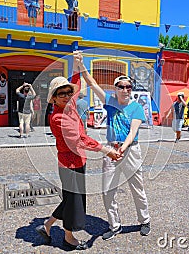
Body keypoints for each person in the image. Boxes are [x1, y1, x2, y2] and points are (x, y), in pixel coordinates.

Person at [35, 77, 120, 250]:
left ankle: (47, 226)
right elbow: (80, 140)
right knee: (73, 202)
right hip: (69, 165)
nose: (67, 96)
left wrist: (79, 65)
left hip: (78, 161)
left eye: (68, 92)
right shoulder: (59, 117)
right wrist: (106, 150)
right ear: (54, 98)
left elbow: (77, 85)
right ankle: (68, 238)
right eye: (61, 94)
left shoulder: (69, 106)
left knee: (69, 199)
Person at [74, 51, 151, 240]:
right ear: (115, 89)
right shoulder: (109, 102)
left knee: (137, 187)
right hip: (110, 149)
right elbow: (92, 84)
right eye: (121, 86)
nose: (125, 89)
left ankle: (145, 220)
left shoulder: (136, 107)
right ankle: (114, 225)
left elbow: (133, 133)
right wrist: (81, 64)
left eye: (128, 87)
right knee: (107, 190)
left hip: (130, 150)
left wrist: (121, 149)